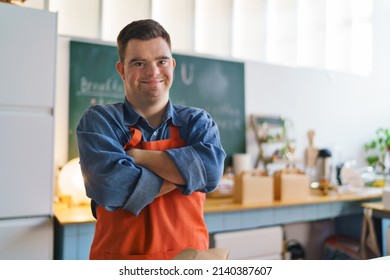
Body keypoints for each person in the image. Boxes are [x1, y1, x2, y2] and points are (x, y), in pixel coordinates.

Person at [76, 19, 226, 260]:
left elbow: (210, 173)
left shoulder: (198, 122)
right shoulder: (100, 121)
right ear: (122, 70)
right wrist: (187, 176)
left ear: (173, 65)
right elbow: (113, 189)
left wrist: (140, 157)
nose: (153, 72)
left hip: (188, 260)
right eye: (138, 62)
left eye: (161, 61)